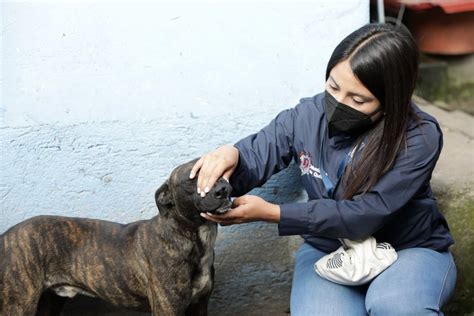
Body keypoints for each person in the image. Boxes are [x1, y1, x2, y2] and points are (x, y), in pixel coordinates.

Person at [189, 23, 457, 315]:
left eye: (357, 99)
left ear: (391, 101)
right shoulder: (306, 115)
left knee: (395, 307)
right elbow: (256, 155)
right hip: (329, 248)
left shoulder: (419, 136)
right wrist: (232, 158)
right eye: (332, 86)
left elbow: (367, 214)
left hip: (408, 248)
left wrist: (275, 214)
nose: (338, 103)